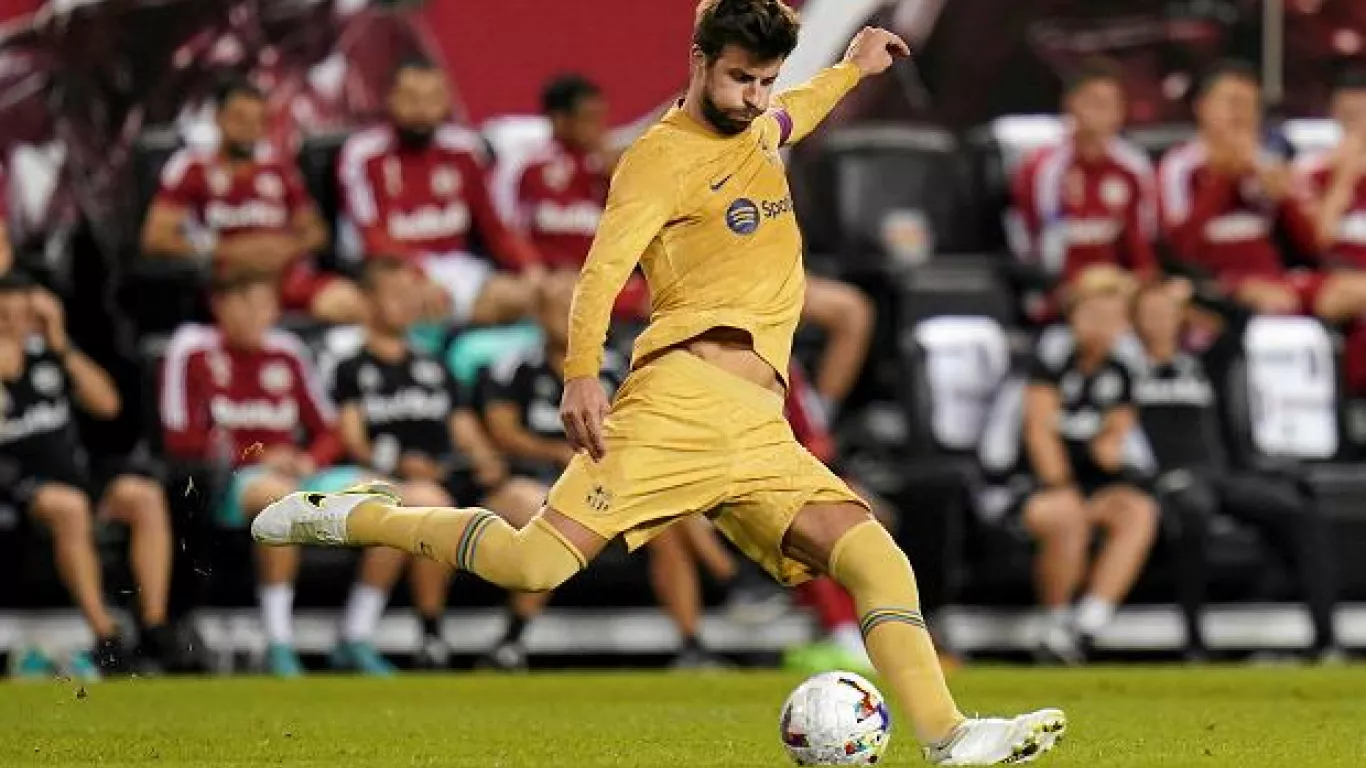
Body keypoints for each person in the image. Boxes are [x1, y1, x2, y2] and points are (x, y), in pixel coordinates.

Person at [255, 4, 1064, 764]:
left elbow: (794, 114)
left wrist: (851, 65)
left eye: (764, 82)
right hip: (676, 404)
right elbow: (601, 273)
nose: (753, 99)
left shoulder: (757, 128)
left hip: (757, 428)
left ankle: (948, 736)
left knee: (878, 561)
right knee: (533, 566)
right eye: (739, 79)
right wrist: (581, 376)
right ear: (698, 61)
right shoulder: (657, 159)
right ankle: (363, 516)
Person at [482, 271, 755, 668]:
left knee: (666, 516)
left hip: (605, 484)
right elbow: (502, 432)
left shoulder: (615, 368)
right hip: (531, 475)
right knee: (535, 507)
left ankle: (692, 644)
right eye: (559, 308)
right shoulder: (515, 367)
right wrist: (556, 451)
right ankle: (511, 640)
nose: (570, 317)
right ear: (540, 315)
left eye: (577, 309)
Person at [159, 271, 412, 678]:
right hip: (233, 478)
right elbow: (181, 438)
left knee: (392, 500)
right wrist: (259, 454)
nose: (261, 315)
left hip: (296, 471)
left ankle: (356, 636)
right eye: (248, 304)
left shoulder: (287, 351)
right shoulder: (192, 350)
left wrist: (308, 459)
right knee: (282, 502)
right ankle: (279, 643)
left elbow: (330, 430)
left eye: (267, 305)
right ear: (220, 305)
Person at [331, 257, 548, 670]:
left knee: (534, 504)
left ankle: (512, 640)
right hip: (393, 478)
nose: (405, 305)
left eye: (409, 296)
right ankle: (431, 636)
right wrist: (400, 462)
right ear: (369, 302)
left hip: (450, 473)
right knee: (431, 505)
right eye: (393, 296)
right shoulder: (350, 365)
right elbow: (353, 441)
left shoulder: (433, 364)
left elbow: (462, 424)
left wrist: (485, 460)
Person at [1129, 282, 1342, 662]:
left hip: (1222, 473)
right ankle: (1194, 643)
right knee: (1192, 512)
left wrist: (1192, 296)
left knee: (1300, 511)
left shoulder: (1205, 363)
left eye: (1166, 312)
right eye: (1149, 313)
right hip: (1170, 476)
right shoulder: (1128, 370)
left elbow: (1239, 319)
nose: (1159, 320)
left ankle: (1325, 641)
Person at [0, 271, 178, 679]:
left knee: (144, 495)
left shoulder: (51, 356)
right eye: (4, 316)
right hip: (14, 484)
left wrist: (61, 342)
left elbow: (107, 404)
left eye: (22, 316)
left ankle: (154, 626)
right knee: (71, 506)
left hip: (73, 477)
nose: (13, 326)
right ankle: (106, 634)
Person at [1018, 266, 1159, 664]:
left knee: (1137, 510)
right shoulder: (1050, 355)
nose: (1103, 327)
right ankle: (1054, 624)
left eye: (1114, 318)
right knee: (1067, 514)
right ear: (1074, 315)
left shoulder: (1123, 368)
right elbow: (1037, 432)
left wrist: (1110, 441)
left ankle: (1087, 625)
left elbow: (1111, 442)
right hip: (1024, 481)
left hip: (1086, 481)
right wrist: (1061, 483)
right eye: (1095, 316)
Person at [337, 58, 543, 327]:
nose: (422, 110)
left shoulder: (466, 149)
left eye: (433, 99)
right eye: (411, 98)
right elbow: (371, 234)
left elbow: (497, 226)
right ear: (390, 98)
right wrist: (418, 275)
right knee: (393, 300)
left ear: (447, 101)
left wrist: (531, 268)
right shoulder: (363, 153)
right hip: (397, 272)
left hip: (462, 269)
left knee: (534, 296)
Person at [141, 79, 364, 324]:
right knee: (251, 317)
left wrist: (283, 250)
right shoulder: (192, 168)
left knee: (352, 304)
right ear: (218, 118)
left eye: (259, 121)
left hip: (285, 275)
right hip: (231, 282)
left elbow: (315, 232)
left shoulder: (278, 170)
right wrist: (225, 252)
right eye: (240, 119)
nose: (250, 128)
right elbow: (156, 238)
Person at [1159, 61, 1366, 319]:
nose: (1241, 114)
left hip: (1275, 278)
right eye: (1232, 103)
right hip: (1217, 282)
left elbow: (1310, 246)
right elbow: (1180, 249)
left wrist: (1285, 199)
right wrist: (1223, 178)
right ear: (1202, 107)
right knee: (1273, 304)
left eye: (1250, 105)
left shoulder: (1268, 164)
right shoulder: (1180, 165)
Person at [1012, 58, 1158, 320]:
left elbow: (1141, 248)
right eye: (1094, 102)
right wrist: (1082, 285)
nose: (1103, 112)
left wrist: (1134, 286)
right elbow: (1035, 246)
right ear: (1071, 105)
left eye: (1112, 104)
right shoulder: (1043, 168)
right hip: (1061, 291)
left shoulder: (1135, 168)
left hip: (1121, 292)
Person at [1294, 68, 1366, 393]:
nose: (1359, 127)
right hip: (1333, 278)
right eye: (1350, 117)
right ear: (1335, 116)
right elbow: (1316, 240)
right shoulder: (1311, 170)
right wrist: (1344, 179)